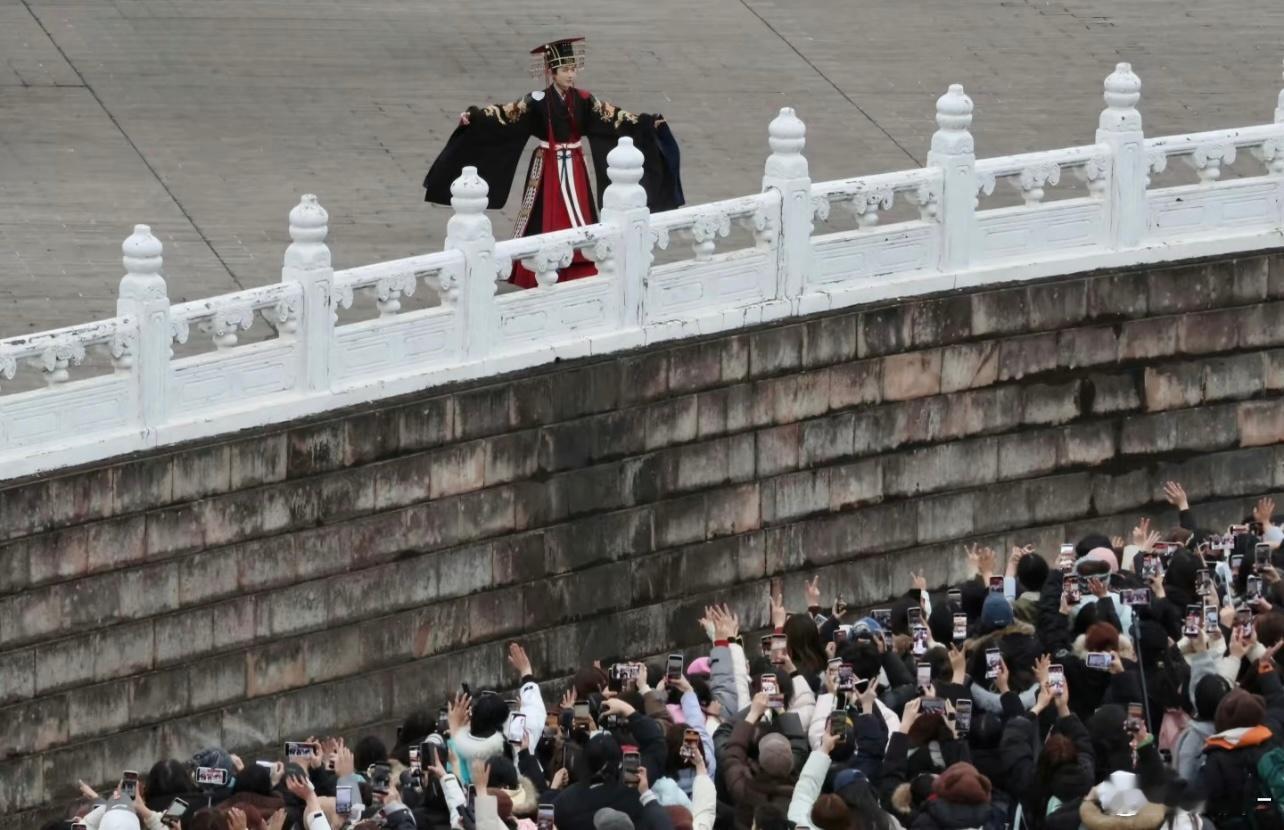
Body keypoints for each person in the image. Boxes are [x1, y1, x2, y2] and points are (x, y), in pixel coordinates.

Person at [423, 37, 684, 288]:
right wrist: (476, 116)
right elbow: (504, 114)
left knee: (578, 211)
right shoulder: (537, 101)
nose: (571, 75)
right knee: (544, 211)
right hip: (546, 162)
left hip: (574, 162)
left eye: (573, 69)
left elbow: (613, 116)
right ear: (552, 72)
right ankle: (537, 263)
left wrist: (648, 122)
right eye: (565, 70)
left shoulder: (583, 99)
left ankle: (582, 259)